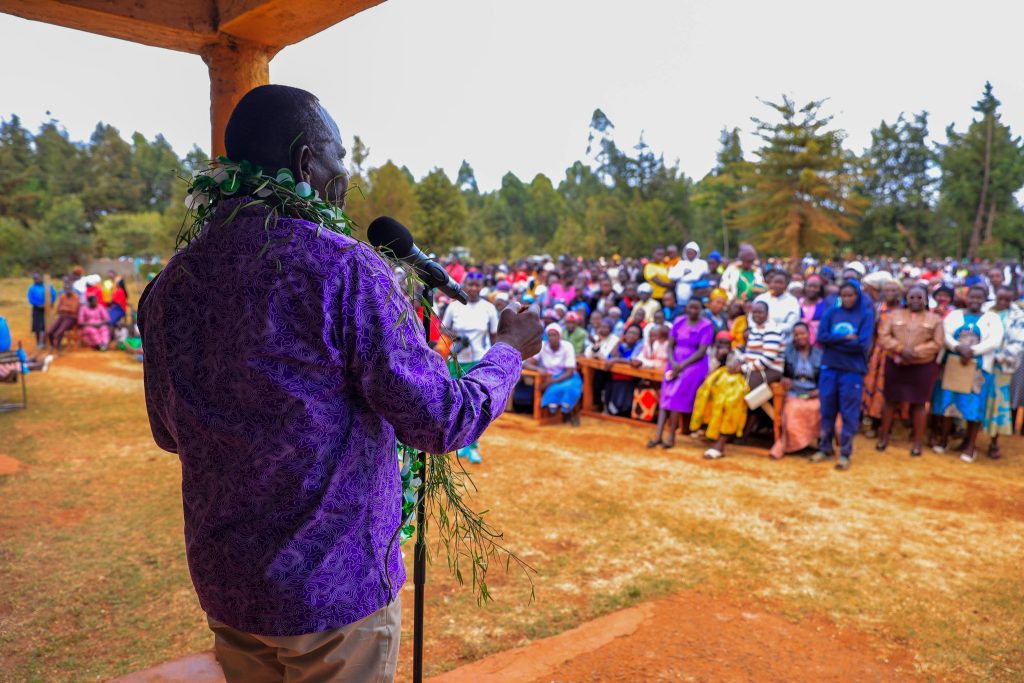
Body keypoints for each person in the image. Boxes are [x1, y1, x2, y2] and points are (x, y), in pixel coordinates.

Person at [139, 85, 542, 682]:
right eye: (340, 158)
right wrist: (508, 350)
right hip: (333, 595)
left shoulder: (171, 283)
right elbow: (442, 418)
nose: (345, 175)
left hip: (229, 587)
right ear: (305, 162)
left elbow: (169, 432)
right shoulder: (342, 268)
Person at [932, 285, 1003, 462]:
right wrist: (958, 347)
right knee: (948, 402)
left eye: (979, 297)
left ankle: (970, 445)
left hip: (978, 368)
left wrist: (972, 351)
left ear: (985, 299)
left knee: (974, 405)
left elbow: (994, 340)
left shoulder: (992, 318)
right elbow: (945, 334)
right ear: (966, 298)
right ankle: (943, 439)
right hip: (953, 364)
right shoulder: (954, 315)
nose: (975, 300)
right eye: (972, 297)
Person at [811, 281, 874, 470]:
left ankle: (845, 453)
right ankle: (825, 448)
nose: (847, 299)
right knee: (827, 409)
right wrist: (845, 338)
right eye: (843, 296)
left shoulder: (866, 315)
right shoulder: (831, 313)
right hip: (830, 367)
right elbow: (821, 337)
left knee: (849, 412)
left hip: (852, 371)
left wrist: (834, 342)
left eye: (850, 295)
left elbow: (862, 344)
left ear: (857, 296)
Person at [874, 285, 943, 457]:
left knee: (919, 404)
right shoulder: (894, 315)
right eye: (912, 297)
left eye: (919, 297)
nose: (915, 301)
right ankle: (884, 437)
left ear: (926, 300)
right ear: (906, 299)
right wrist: (900, 349)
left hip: (921, 366)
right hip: (896, 363)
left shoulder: (935, 319)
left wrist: (914, 353)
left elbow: (937, 343)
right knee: (890, 401)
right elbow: (883, 336)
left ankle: (917, 443)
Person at [441, 272, 500, 464]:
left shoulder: (488, 308)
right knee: (455, 402)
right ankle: (455, 442)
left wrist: (493, 360)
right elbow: (443, 328)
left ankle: (472, 446)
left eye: (477, 285)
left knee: (476, 405)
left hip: (478, 361)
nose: (474, 288)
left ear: (482, 286)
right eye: (470, 284)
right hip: (456, 359)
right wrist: (457, 337)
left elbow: (494, 336)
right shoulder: (454, 306)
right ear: (464, 285)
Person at [650, 298, 712, 448]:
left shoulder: (706, 325)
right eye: (691, 307)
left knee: (675, 398)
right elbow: (671, 345)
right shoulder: (679, 321)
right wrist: (672, 363)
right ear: (686, 308)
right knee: (665, 397)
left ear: (701, 310)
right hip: (674, 361)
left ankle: (671, 436)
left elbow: (701, 351)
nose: (693, 311)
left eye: (696, 308)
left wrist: (682, 366)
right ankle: (658, 435)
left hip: (693, 365)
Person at [981, 286, 1024, 459]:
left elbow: (1019, 343)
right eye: (1000, 298)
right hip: (980, 363)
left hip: (1001, 367)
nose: (1003, 302)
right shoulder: (986, 309)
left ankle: (994, 442)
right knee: (977, 399)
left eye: (1007, 299)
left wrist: (1000, 357)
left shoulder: (1017, 317)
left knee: (997, 403)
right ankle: (968, 438)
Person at [769, 322, 823, 459]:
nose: (800, 337)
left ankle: (821, 446)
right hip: (794, 392)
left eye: (802, 333)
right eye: (796, 335)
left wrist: (819, 390)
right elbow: (780, 371)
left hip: (813, 393)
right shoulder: (788, 352)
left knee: (820, 408)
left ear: (809, 334)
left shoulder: (819, 354)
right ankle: (792, 445)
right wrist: (783, 378)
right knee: (792, 410)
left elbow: (825, 377)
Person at [861, 280, 904, 437]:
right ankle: (873, 422)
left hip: (895, 352)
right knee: (873, 386)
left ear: (899, 293)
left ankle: (888, 426)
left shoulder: (903, 311)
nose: (890, 293)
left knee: (890, 389)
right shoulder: (878, 308)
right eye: (887, 290)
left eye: (894, 290)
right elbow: (873, 332)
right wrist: (869, 352)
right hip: (878, 353)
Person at [525, 324, 582, 425]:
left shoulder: (567, 346)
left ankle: (568, 411)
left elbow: (569, 371)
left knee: (570, 387)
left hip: (567, 376)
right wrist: (538, 369)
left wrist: (551, 382)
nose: (552, 337)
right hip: (550, 376)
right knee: (552, 389)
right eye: (550, 335)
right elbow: (527, 363)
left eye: (554, 335)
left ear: (559, 336)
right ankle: (555, 412)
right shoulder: (542, 346)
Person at [604, 323, 644, 416]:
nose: (631, 335)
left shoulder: (640, 346)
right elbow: (610, 357)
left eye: (635, 334)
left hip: (631, 379)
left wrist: (615, 360)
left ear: (639, 337)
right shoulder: (623, 346)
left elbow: (632, 360)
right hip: (616, 378)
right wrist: (618, 342)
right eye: (629, 332)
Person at [47, 279, 81, 350]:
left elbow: (73, 310)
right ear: (64, 289)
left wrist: (64, 308)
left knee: (59, 332)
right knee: (49, 332)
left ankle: (57, 347)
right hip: (62, 316)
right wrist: (67, 308)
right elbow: (59, 308)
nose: (68, 290)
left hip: (71, 317)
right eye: (66, 288)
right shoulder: (62, 297)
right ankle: (54, 346)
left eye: (69, 288)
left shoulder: (76, 297)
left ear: (72, 289)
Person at [27, 273, 57, 349]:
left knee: (46, 325)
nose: (35, 280)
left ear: (41, 278)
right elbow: (31, 298)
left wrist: (49, 303)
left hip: (47, 308)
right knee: (37, 326)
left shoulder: (48, 286)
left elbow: (53, 295)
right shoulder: (32, 288)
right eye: (34, 278)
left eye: (37, 278)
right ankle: (38, 343)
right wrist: (38, 305)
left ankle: (46, 342)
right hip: (37, 309)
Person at [799, 274, 827, 346]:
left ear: (820, 289)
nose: (812, 289)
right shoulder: (798, 303)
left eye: (815, 287)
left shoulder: (824, 304)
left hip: (818, 342)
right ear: (805, 287)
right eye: (809, 286)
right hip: (799, 339)